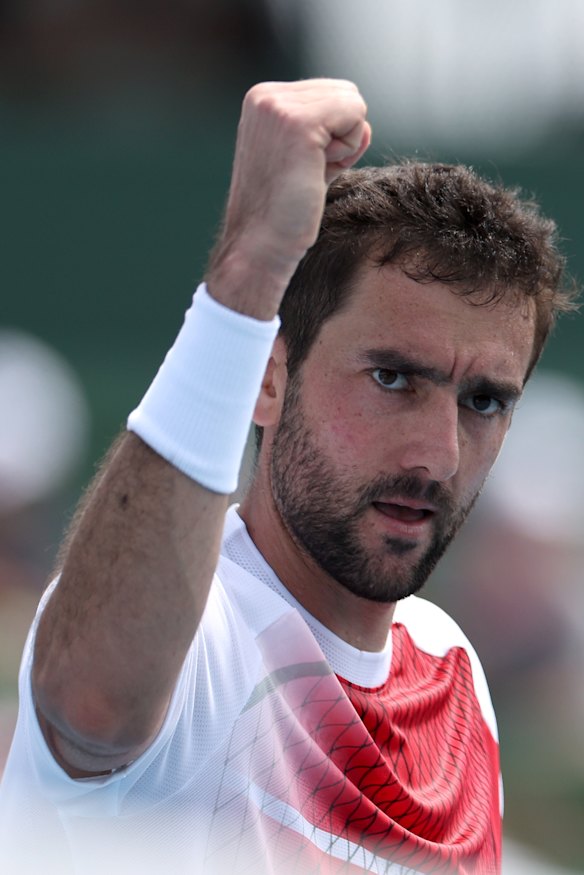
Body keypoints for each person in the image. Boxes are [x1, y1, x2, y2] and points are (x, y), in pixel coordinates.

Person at [0, 79, 577, 875]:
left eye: (483, 400)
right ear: (266, 380)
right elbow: (94, 707)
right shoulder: (192, 636)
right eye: (392, 378)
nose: (438, 454)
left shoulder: (454, 674)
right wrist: (247, 273)